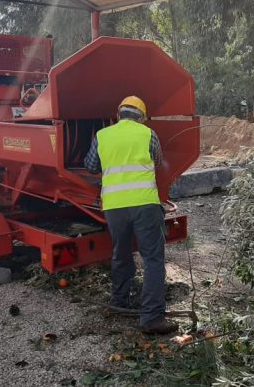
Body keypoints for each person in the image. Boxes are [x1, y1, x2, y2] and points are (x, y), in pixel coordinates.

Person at [84, 96, 178, 335]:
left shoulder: (102, 135)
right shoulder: (148, 135)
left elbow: (91, 166)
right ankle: (152, 317)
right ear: (141, 117)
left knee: (121, 254)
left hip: (114, 207)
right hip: (144, 205)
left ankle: (119, 302)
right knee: (153, 259)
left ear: (119, 114)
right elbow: (156, 161)